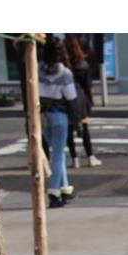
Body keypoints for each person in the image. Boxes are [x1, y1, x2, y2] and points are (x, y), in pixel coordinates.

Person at [38, 37, 78, 208]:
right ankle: (54, 192)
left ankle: (65, 188)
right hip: (60, 115)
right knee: (58, 155)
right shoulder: (65, 73)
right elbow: (71, 96)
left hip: (43, 115)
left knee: (56, 154)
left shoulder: (38, 69)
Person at [65, 35, 101, 167]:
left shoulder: (64, 67)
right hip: (82, 99)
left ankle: (75, 159)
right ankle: (90, 156)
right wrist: (90, 102)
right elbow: (87, 85)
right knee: (85, 129)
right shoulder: (82, 64)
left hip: (68, 100)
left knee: (69, 130)